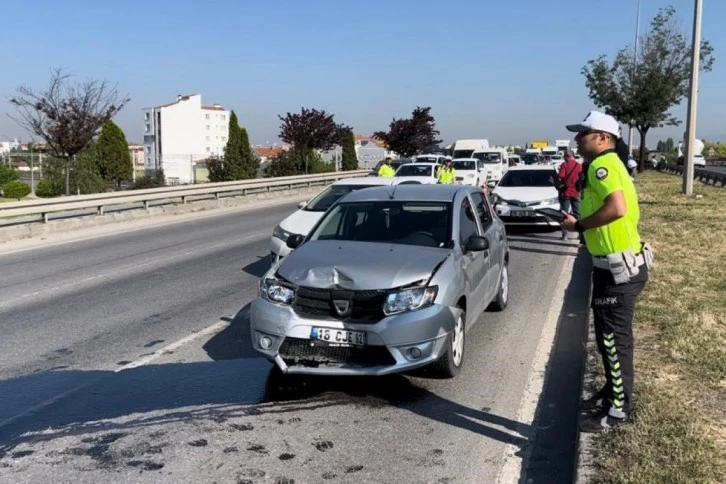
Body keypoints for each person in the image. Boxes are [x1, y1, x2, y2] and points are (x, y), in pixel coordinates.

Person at [560, 110, 653, 433]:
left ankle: (618, 410)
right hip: (612, 267)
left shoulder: (603, 165)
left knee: (613, 340)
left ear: (603, 138)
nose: (576, 139)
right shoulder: (607, 165)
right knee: (606, 338)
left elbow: (617, 208)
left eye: (582, 133)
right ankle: (612, 393)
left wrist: (579, 225)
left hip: (618, 269)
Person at [557, 151, 583, 240]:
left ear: (568, 156)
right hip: (576, 192)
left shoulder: (565, 165)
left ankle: (565, 235)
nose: (563, 157)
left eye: (564, 156)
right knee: (578, 214)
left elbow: (561, 175)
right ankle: (580, 234)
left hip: (566, 192)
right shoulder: (579, 165)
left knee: (564, 214)